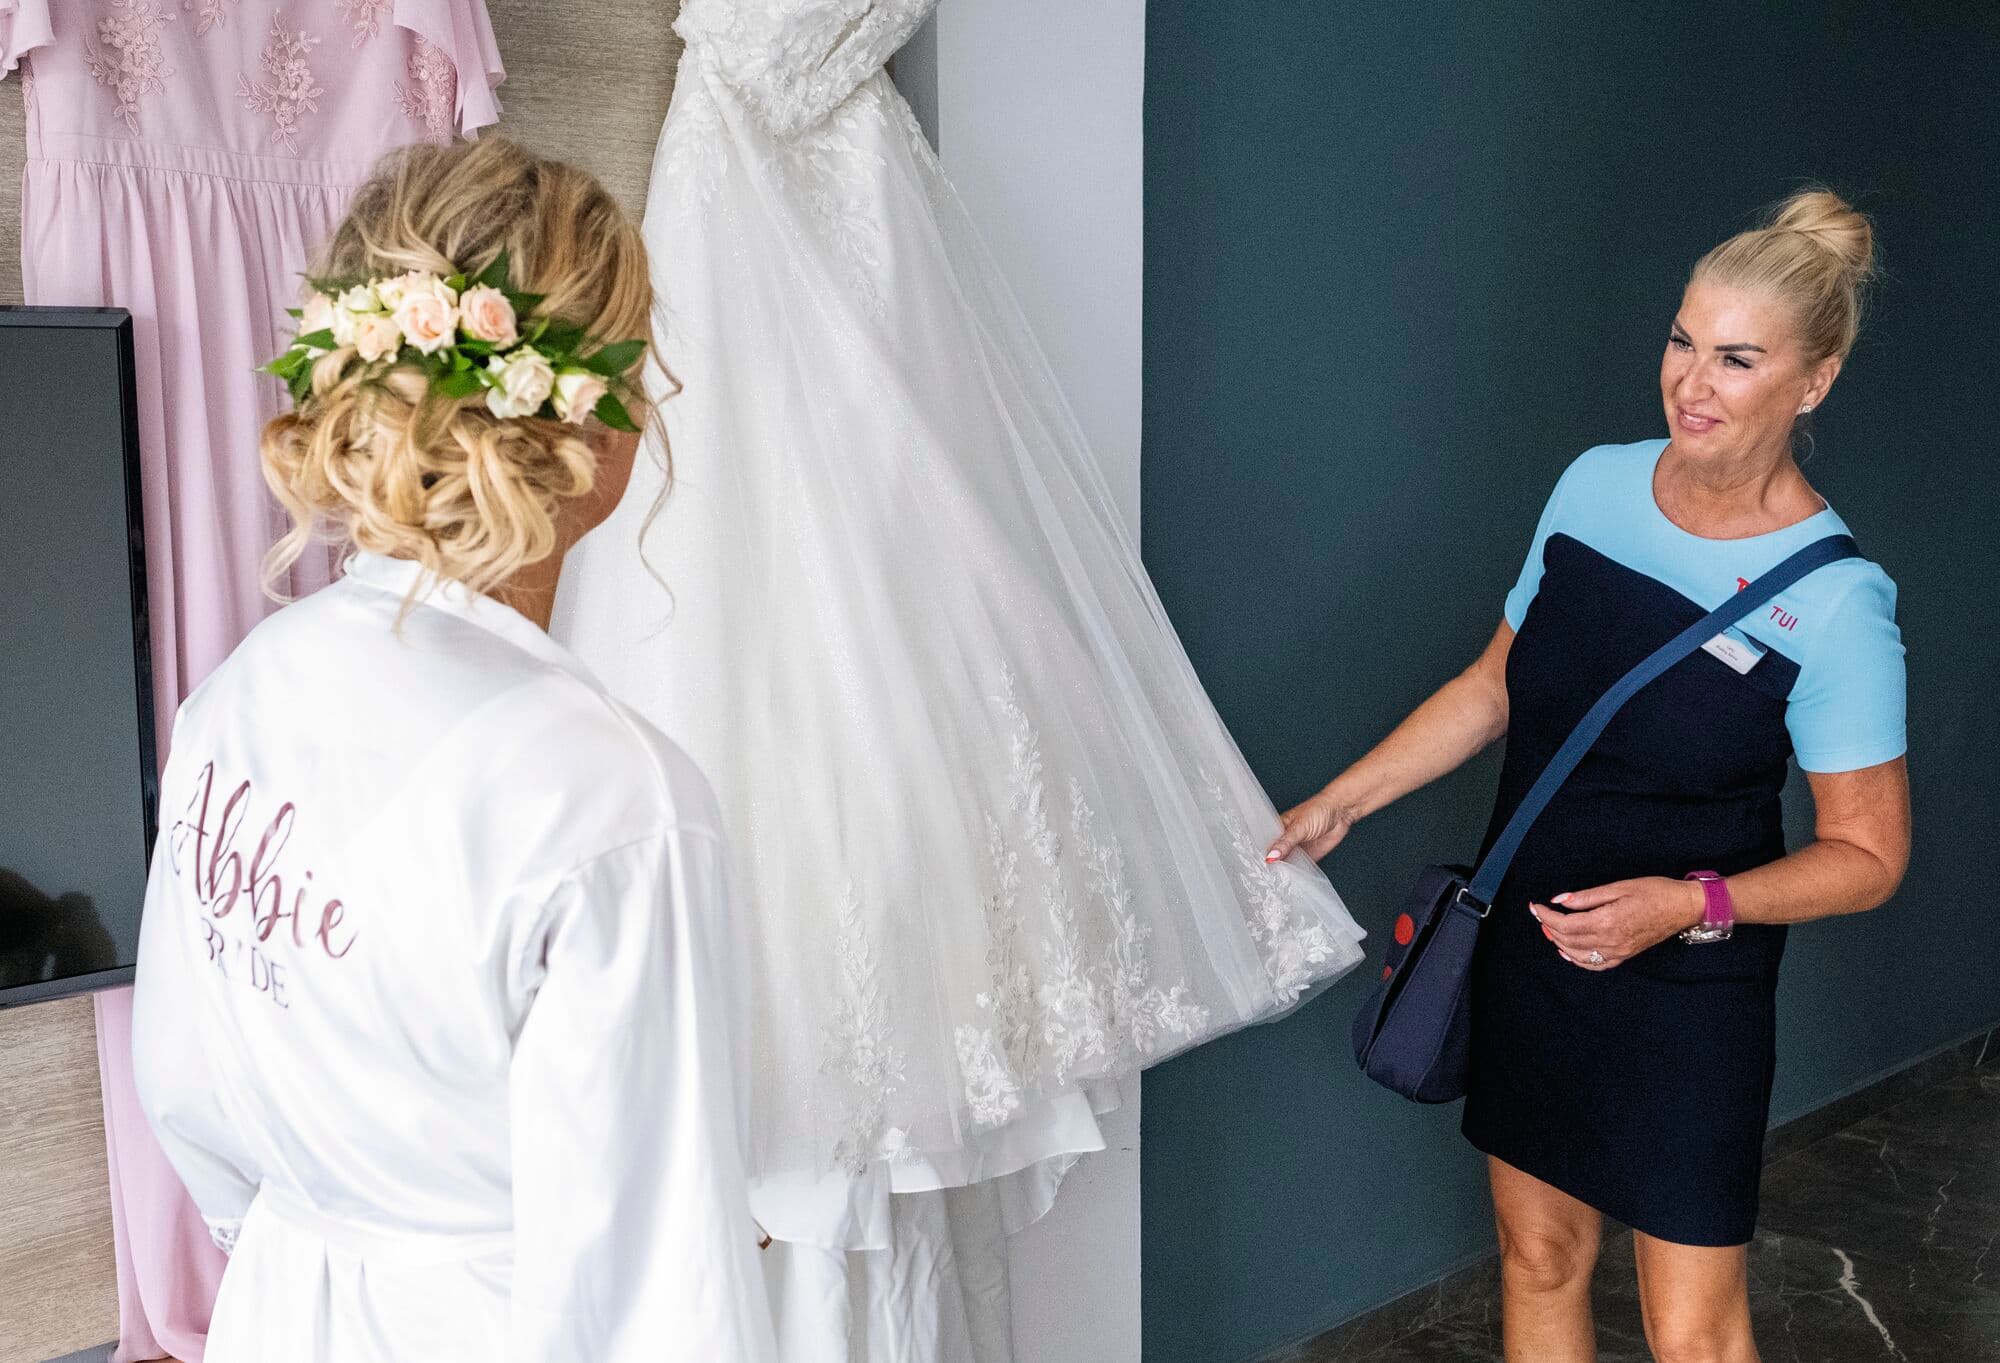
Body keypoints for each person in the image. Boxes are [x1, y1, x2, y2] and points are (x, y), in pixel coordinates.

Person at [130, 137, 777, 1362]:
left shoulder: (238, 693)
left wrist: (320, 1252)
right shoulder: (612, 802)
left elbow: (182, 1083)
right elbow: (659, 1294)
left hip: (278, 1309)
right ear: (595, 419)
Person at [1270, 188, 1910, 1363]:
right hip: (1529, 940)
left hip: (1688, 986)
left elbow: (1867, 856)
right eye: (1680, 341)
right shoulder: (1592, 489)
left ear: (1810, 383)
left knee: (1692, 1335)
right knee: (1537, 1259)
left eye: (1735, 359)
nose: (1690, 383)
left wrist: (1687, 903)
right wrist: (1339, 800)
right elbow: (1493, 686)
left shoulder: (1835, 602)